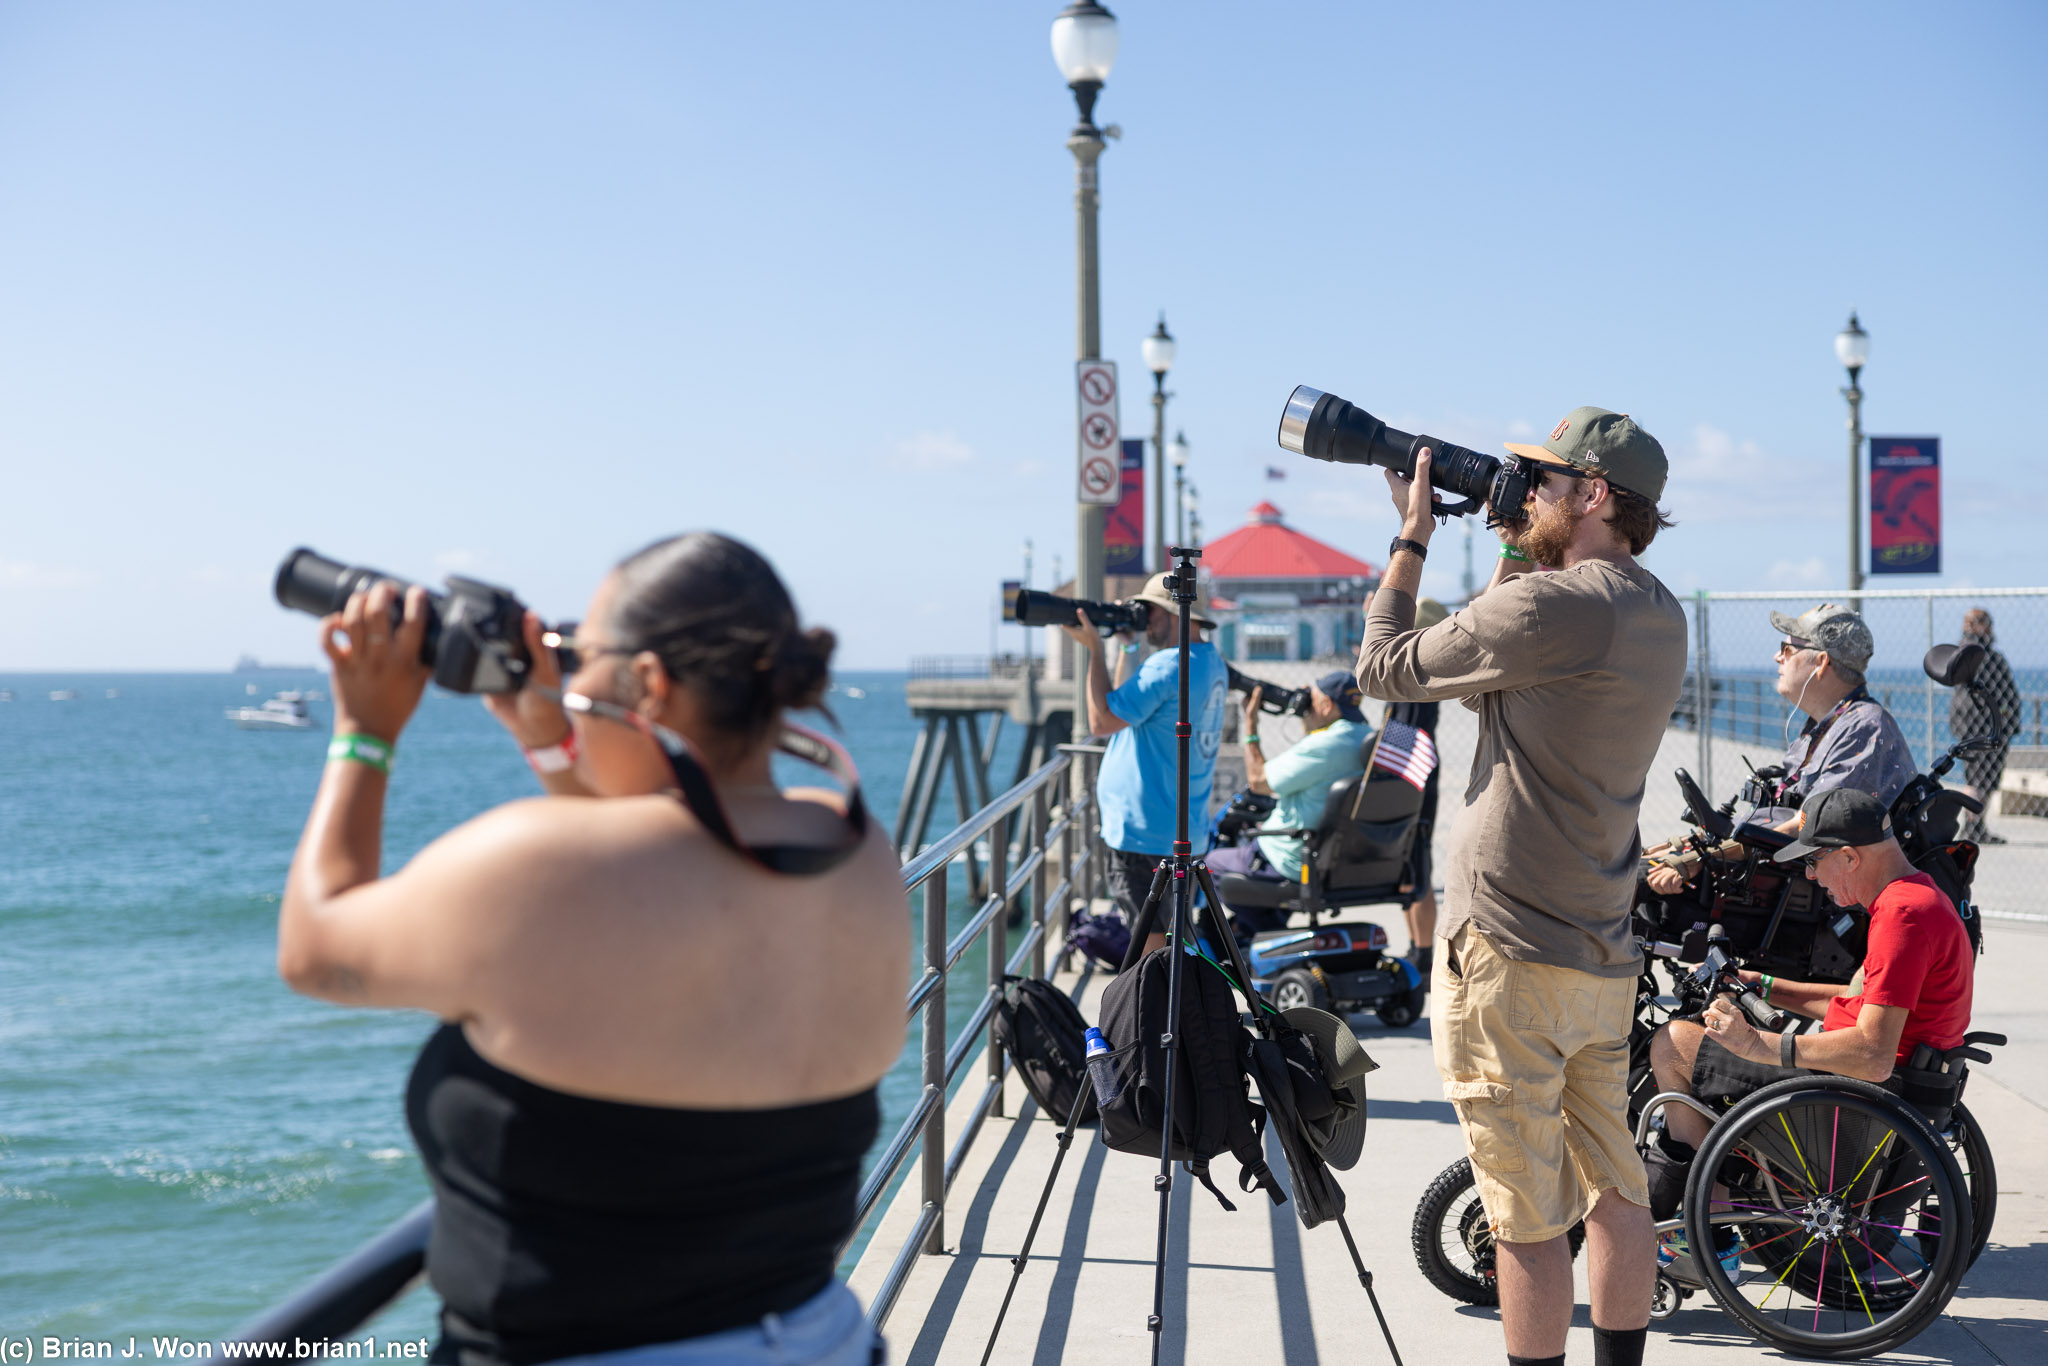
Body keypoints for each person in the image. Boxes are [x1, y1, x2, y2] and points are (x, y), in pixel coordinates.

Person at [277, 533, 908, 1366]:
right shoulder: (858, 848)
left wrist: (364, 729)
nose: (567, 679)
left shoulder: (532, 866)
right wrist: (547, 730)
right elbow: (672, 854)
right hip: (816, 1340)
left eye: (582, 657)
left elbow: (316, 948)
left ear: (646, 683)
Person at [1356, 407, 1686, 1366]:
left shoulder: (1549, 608)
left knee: (1525, 1217)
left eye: (1541, 481)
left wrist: (1411, 534)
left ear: (1591, 494)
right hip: (1598, 948)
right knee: (1615, 1191)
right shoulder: (1653, 609)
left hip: (1508, 951)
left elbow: (1388, 668)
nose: (1524, 490)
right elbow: (1492, 657)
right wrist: (1518, 544)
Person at [1643, 787, 1975, 1268]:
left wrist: (1759, 1045)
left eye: (1816, 861)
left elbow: (1873, 1054)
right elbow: (1852, 1002)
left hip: (1856, 1107)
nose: (1811, 875)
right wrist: (1765, 984)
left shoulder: (1903, 916)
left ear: (1849, 856)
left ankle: (1709, 1231)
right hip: (1883, 1093)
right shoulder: (1918, 898)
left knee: (1673, 1044)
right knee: (1705, 1046)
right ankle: (1707, 1206)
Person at [1643, 601, 1914, 897]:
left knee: (1641, 885)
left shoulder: (1865, 728)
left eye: (1787, 650)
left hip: (1816, 889)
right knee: (1645, 865)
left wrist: (1706, 856)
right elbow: (1783, 812)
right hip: (1776, 869)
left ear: (1822, 662)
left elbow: (1810, 825)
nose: (1777, 657)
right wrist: (1695, 841)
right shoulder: (1826, 724)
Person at [1061, 571, 1228, 940]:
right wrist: (1126, 646)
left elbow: (1103, 721)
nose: (1143, 619)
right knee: (1174, 945)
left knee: (1150, 956)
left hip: (1143, 837)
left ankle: (1152, 1002)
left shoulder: (1167, 666)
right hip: (1181, 829)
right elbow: (1128, 706)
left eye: (1147, 611)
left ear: (1171, 613)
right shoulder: (1209, 661)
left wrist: (1093, 649)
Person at [1206, 669, 1375, 934]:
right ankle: (1252, 931)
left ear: (1326, 705)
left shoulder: (1325, 744)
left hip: (1291, 858)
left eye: (1312, 699)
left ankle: (1268, 934)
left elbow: (1259, 781)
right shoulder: (1366, 738)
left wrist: (1251, 724)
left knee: (1211, 866)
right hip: (1336, 858)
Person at [1390, 596, 1449, 972]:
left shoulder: (1414, 671)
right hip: (1413, 766)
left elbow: (1403, 735)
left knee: (1417, 862)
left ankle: (1423, 952)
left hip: (1411, 770)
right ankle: (1417, 948)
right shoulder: (1415, 667)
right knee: (1408, 865)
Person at [1951, 607, 2022, 843]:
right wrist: (2007, 717)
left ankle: (1975, 825)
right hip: (1984, 725)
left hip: (1970, 723)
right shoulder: (1984, 656)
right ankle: (1973, 826)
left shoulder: (1962, 654)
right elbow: (2000, 692)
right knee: (1981, 779)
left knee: (1979, 778)